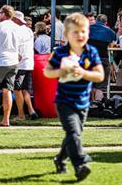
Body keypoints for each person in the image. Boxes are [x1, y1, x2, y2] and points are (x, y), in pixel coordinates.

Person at [44, 13, 104, 180]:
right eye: (75, 32)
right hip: (64, 102)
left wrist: (83, 72)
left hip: (83, 102)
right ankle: (80, 164)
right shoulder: (61, 52)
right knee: (73, 132)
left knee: (73, 134)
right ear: (66, 35)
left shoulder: (91, 52)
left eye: (83, 31)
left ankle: (60, 159)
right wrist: (60, 71)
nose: (80, 35)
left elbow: (100, 76)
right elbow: (47, 72)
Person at [13, 11, 38, 120]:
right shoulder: (29, 31)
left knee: (17, 89)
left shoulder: (16, 30)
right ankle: (31, 110)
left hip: (20, 64)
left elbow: (14, 47)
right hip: (29, 63)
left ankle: (21, 114)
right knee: (25, 89)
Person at [87, 14, 115, 101]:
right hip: (103, 59)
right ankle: (98, 105)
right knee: (101, 86)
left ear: (96, 20)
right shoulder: (111, 32)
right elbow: (113, 44)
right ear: (106, 23)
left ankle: (88, 105)